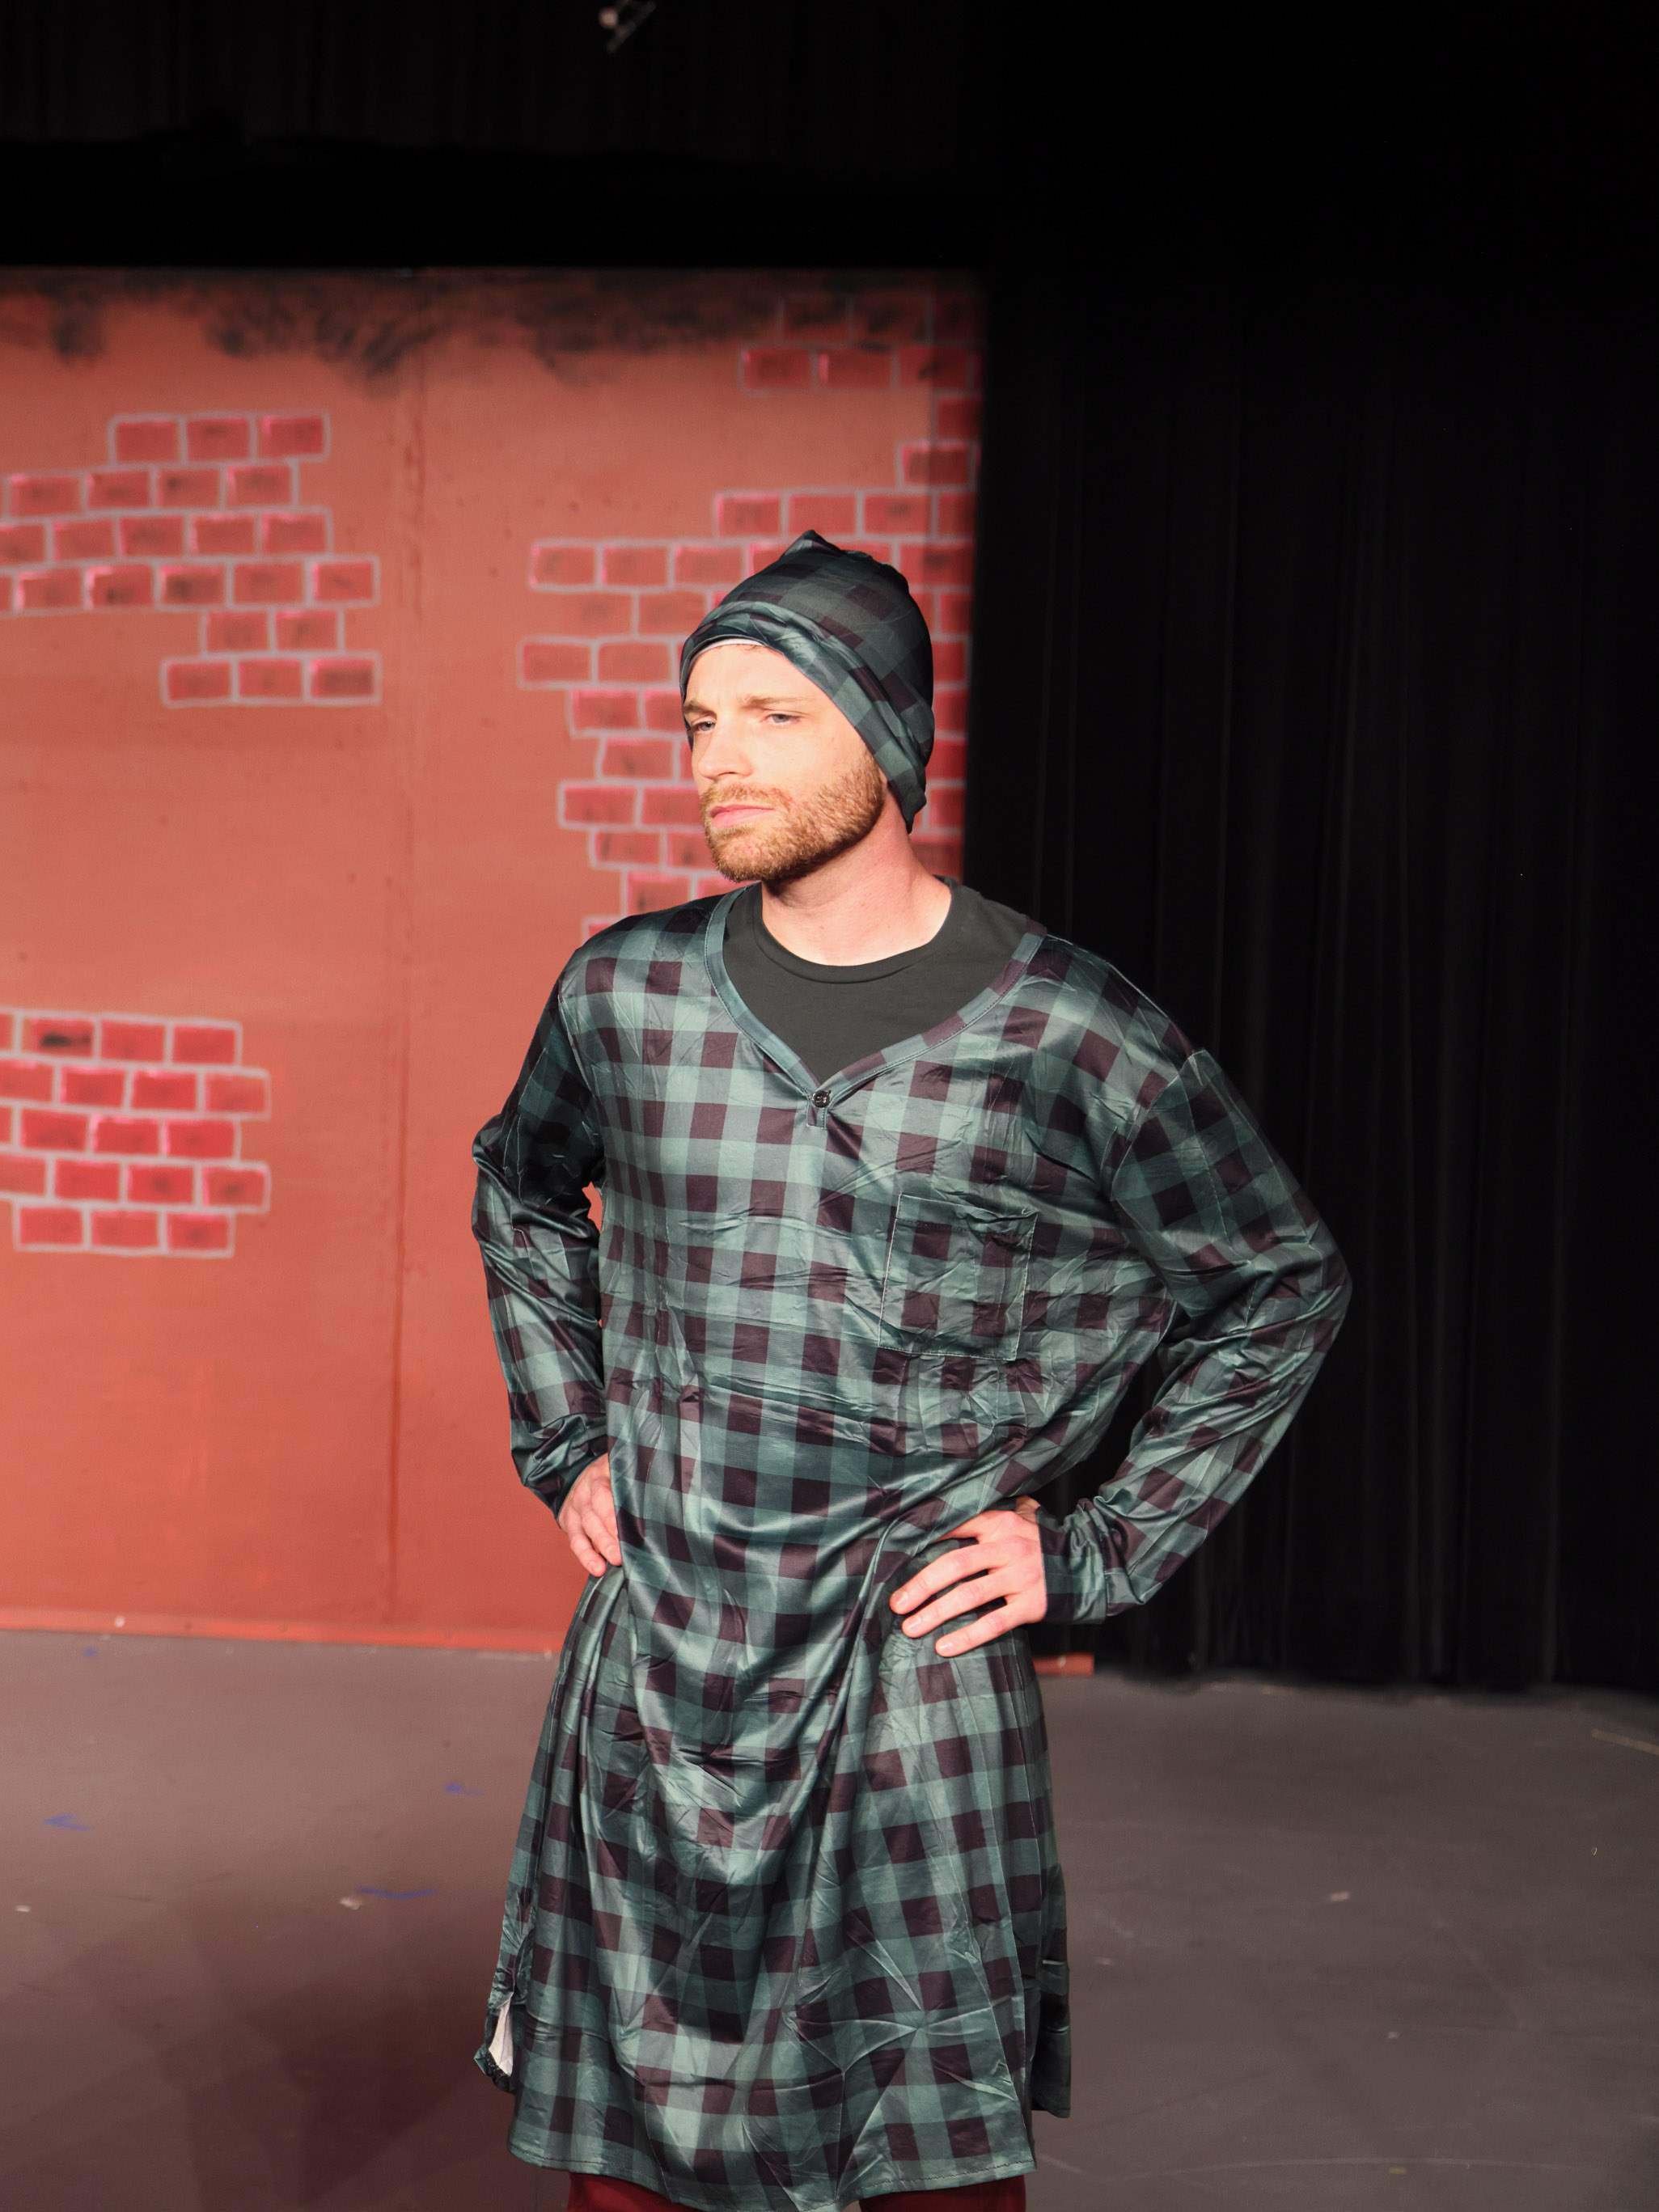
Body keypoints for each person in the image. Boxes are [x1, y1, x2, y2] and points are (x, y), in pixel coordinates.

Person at [468, 533, 1348, 2211]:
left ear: (886, 734)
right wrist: (570, 1434)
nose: (719, 760)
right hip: (667, 1665)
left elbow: (1273, 1281)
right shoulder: (627, 996)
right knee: (625, 2163)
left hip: (905, 1675)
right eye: (699, 720)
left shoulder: (1065, 1031)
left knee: (926, 2158)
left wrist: (1093, 1548)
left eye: (775, 716)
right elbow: (522, 1189)